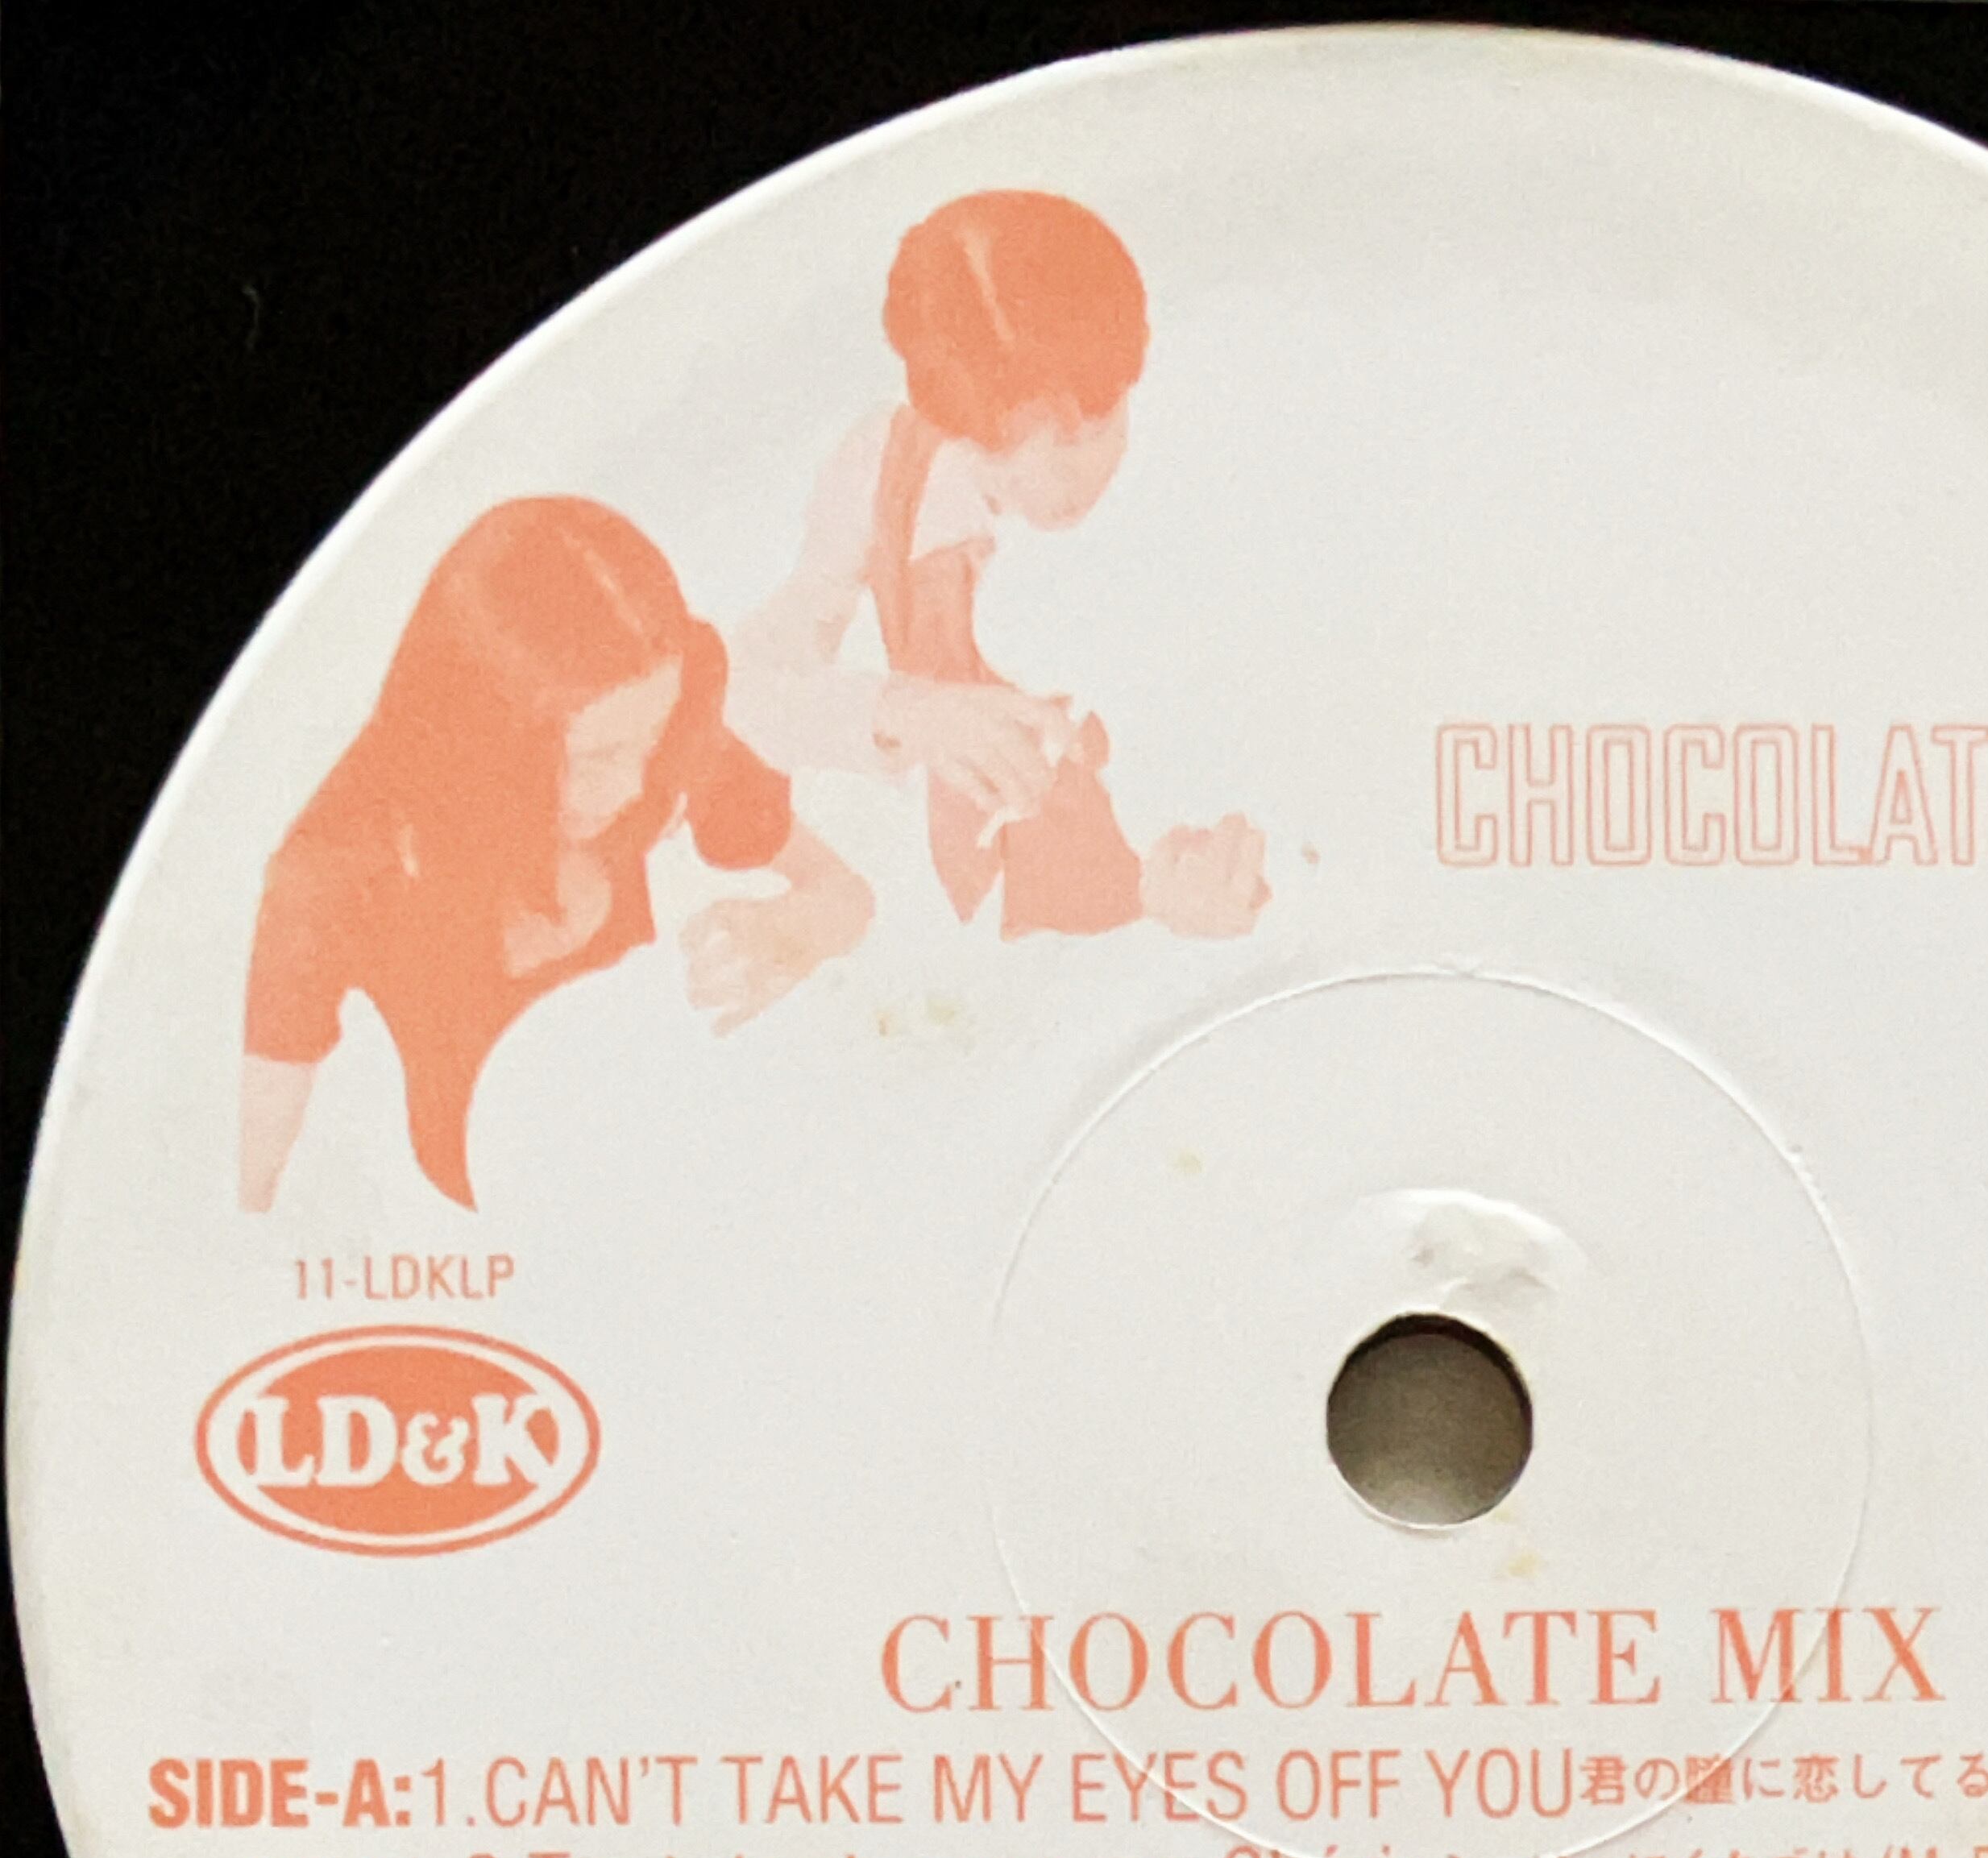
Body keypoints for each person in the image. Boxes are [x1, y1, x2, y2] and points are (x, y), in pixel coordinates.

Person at [239, 496, 873, 1211]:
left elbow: (846, 894)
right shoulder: (330, 873)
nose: (633, 786)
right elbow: (251, 1193)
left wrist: (800, 929)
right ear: (488, 746)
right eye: (595, 759)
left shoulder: (651, 735)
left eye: (650, 741)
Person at [730, 189, 1266, 940]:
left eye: (1086, 433)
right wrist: (904, 712)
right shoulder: (889, 467)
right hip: (956, 940)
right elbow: (736, 693)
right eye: (996, 451)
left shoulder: (1218, 468)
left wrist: (1197, 889)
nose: (1048, 484)